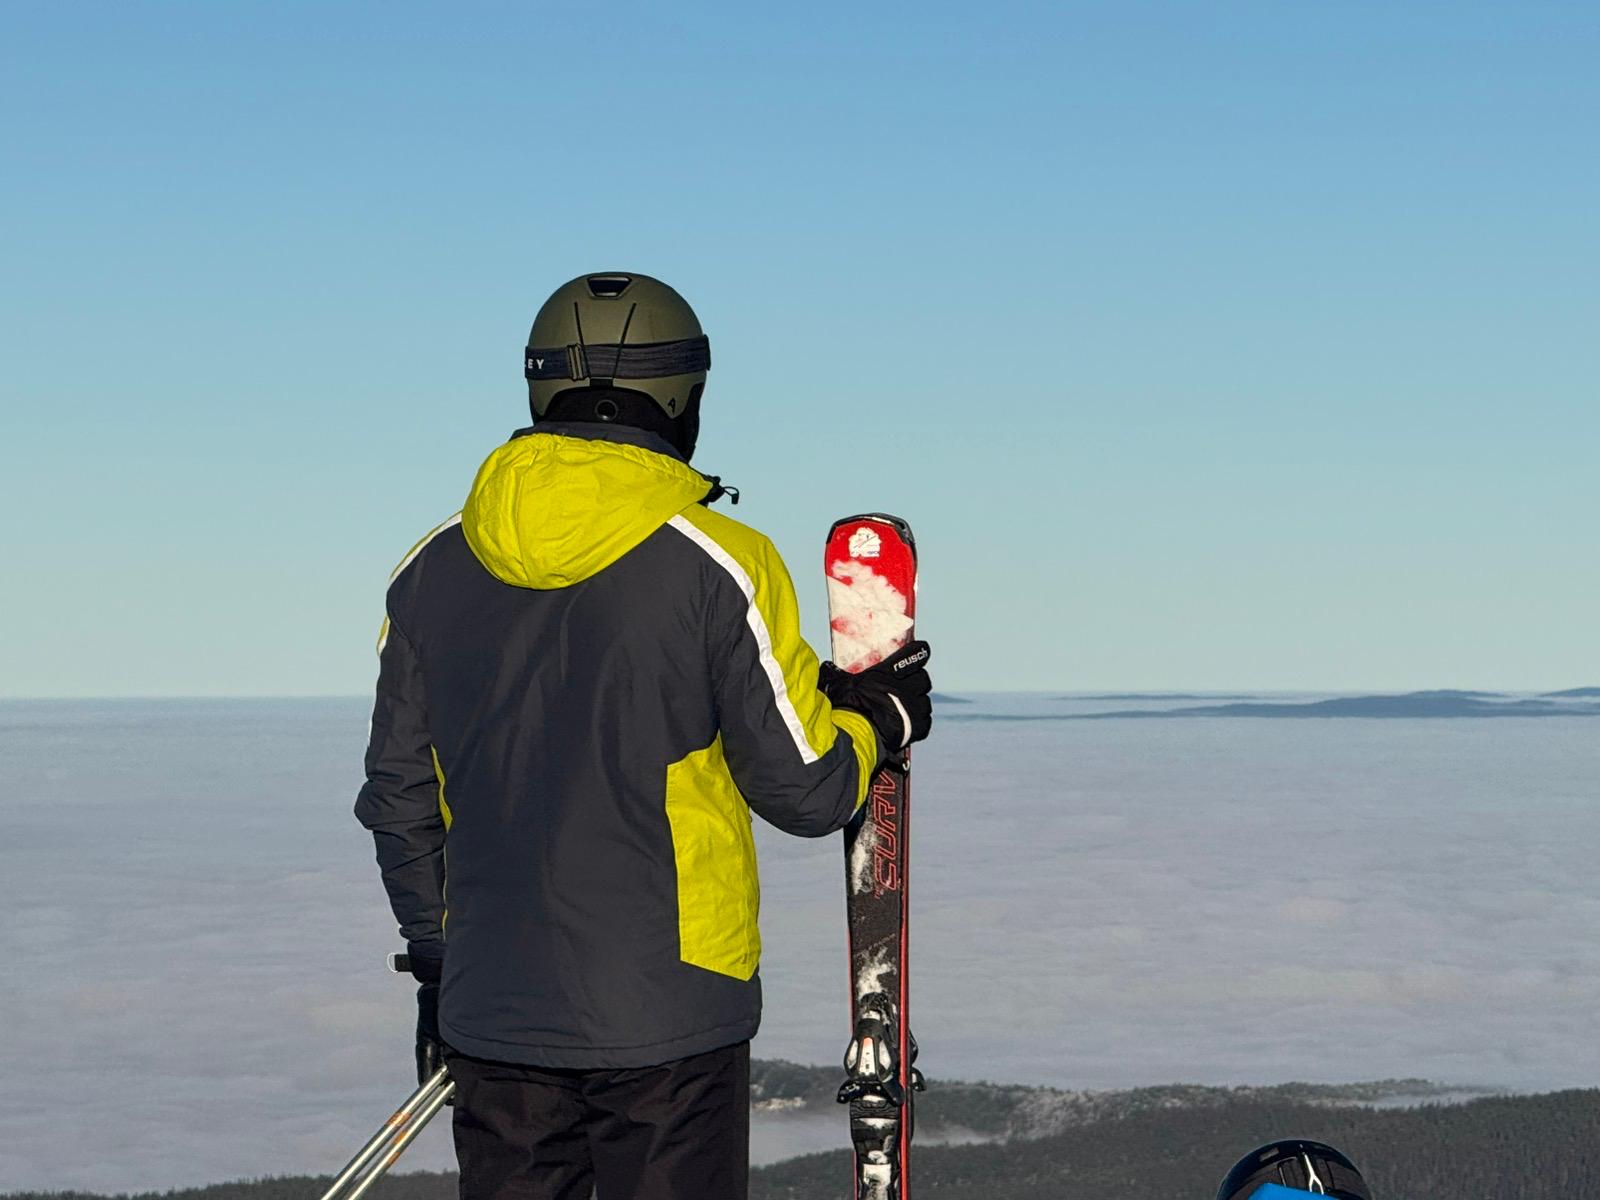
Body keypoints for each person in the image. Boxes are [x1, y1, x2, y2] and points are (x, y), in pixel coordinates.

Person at [354, 272, 933, 1199]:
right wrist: (878, 717)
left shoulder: (428, 572)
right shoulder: (718, 566)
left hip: (492, 1015)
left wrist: (438, 966)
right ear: (682, 398)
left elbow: (399, 799)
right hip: (669, 1021)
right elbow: (809, 788)